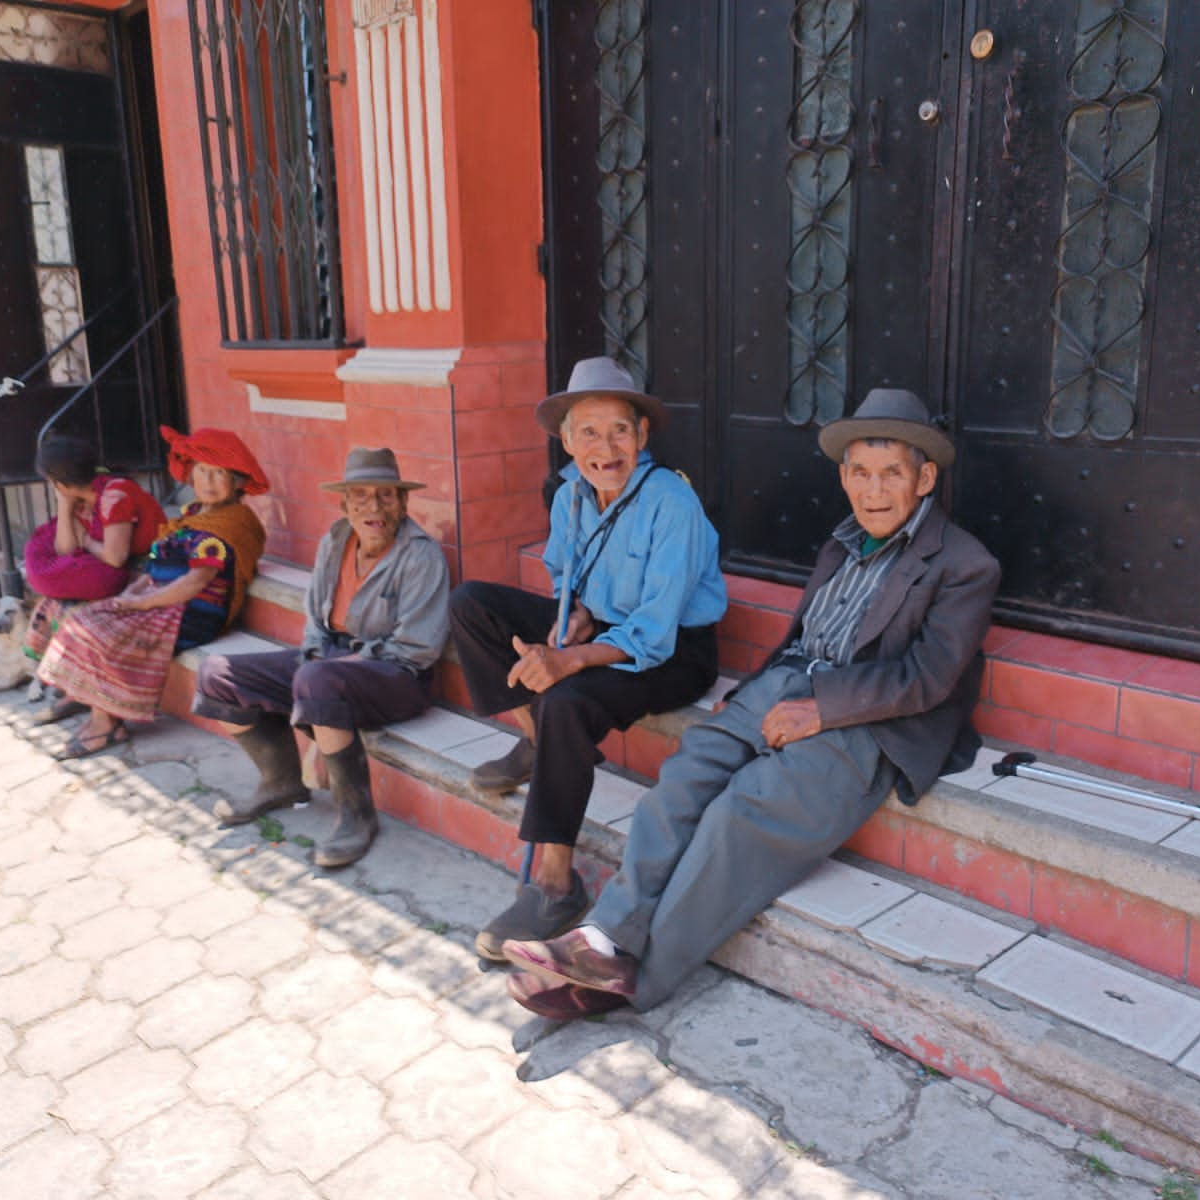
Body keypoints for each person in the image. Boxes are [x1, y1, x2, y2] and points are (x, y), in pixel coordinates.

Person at [498, 388, 1000, 1021]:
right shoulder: (843, 540)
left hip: (875, 722)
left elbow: (927, 678)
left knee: (744, 809)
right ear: (844, 477)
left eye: (892, 474)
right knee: (687, 773)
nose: (875, 490)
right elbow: (804, 641)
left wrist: (821, 709)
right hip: (785, 687)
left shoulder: (963, 564)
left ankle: (631, 982)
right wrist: (748, 700)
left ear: (924, 478)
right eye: (861, 473)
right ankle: (603, 941)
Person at [449, 356, 727, 961]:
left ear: (643, 436)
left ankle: (554, 884)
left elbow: (654, 634)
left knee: (568, 700)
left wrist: (570, 660)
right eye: (589, 433)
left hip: (675, 650)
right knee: (472, 603)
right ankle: (534, 738)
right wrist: (568, 618)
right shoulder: (572, 495)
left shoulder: (670, 502)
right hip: (601, 626)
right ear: (567, 441)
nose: (606, 448)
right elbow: (563, 574)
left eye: (620, 431)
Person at [191, 448, 450, 868]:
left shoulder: (421, 554)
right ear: (344, 504)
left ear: (403, 503)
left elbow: (417, 648)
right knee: (218, 674)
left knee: (318, 681)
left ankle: (356, 816)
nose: (374, 507)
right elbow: (315, 618)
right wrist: (316, 662)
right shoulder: (335, 541)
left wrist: (322, 675)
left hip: (396, 675)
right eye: (360, 497)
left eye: (386, 496)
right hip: (328, 663)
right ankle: (280, 783)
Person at [36, 426, 268, 761]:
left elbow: (195, 581)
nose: (209, 481)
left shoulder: (232, 523)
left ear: (239, 482)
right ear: (190, 474)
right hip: (164, 600)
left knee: (99, 631)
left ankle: (107, 722)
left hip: (194, 612)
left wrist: (142, 603)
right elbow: (158, 561)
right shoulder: (191, 515)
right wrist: (134, 591)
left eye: (220, 473)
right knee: (83, 617)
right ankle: (95, 705)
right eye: (202, 471)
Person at [22, 435, 166, 715]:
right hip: (122, 572)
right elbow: (65, 549)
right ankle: (77, 689)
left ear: (59, 483)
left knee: (75, 614)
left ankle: (96, 699)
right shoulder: (82, 500)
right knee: (51, 605)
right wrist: (65, 507)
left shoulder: (114, 495)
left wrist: (87, 541)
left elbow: (115, 556)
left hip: (150, 573)